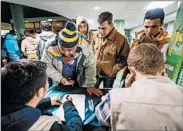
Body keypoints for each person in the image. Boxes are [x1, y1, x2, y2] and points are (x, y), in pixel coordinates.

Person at [95, 43, 183, 130]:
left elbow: (100, 117)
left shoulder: (115, 98)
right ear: (163, 68)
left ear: (131, 71)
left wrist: (127, 90)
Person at [1, 59, 83, 131]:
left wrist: (47, 101)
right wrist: (68, 105)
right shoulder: (48, 126)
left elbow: (19, 113)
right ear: (40, 92)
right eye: (47, 81)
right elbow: (76, 129)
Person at [41, 21, 103, 96]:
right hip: (58, 85)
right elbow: (45, 65)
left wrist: (89, 85)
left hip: (79, 83)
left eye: (70, 50)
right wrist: (60, 78)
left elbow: (90, 66)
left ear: (77, 45)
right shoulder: (50, 46)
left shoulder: (85, 46)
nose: (66, 53)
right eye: (62, 49)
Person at [94, 11, 130, 88]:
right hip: (95, 72)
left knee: (107, 93)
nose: (101, 31)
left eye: (104, 28)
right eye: (99, 28)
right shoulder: (96, 36)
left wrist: (112, 72)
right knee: (91, 92)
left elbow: (124, 60)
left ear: (111, 25)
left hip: (109, 75)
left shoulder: (121, 39)